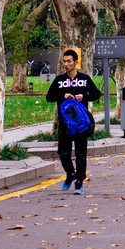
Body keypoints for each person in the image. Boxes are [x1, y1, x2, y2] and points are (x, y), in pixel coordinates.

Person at [46, 47, 100, 195]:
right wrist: (62, 95)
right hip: (65, 124)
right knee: (63, 153)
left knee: (81, 153)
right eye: (64, 61)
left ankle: (79, 181)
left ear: (76, 62)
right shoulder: (59, 80)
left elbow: (96, 94)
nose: (66, 64)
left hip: (81, 124)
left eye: (69, 61)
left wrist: (84, 97)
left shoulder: (84, 79)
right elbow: (49, 97)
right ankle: (70, 173)